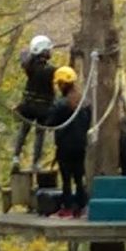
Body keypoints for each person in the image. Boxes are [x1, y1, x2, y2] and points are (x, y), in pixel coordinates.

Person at [46, 66, 91, 218]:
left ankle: (68, 208)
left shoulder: (61, 104)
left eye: (59, 84)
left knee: (66, 179)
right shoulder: (84, 103)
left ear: (63, 84)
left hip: (65, 146)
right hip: (81, 146)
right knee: (79, 177)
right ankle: (81, 206)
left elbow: (50, 122)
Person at [12, 34, 56, 171]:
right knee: (40, 134)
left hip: (28, 105)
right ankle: (36, 163)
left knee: (24, 130)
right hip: (43, 107)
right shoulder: (50, 70)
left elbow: (24, 56)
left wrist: (31, 52)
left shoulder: (30, 67)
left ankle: (16, 158)